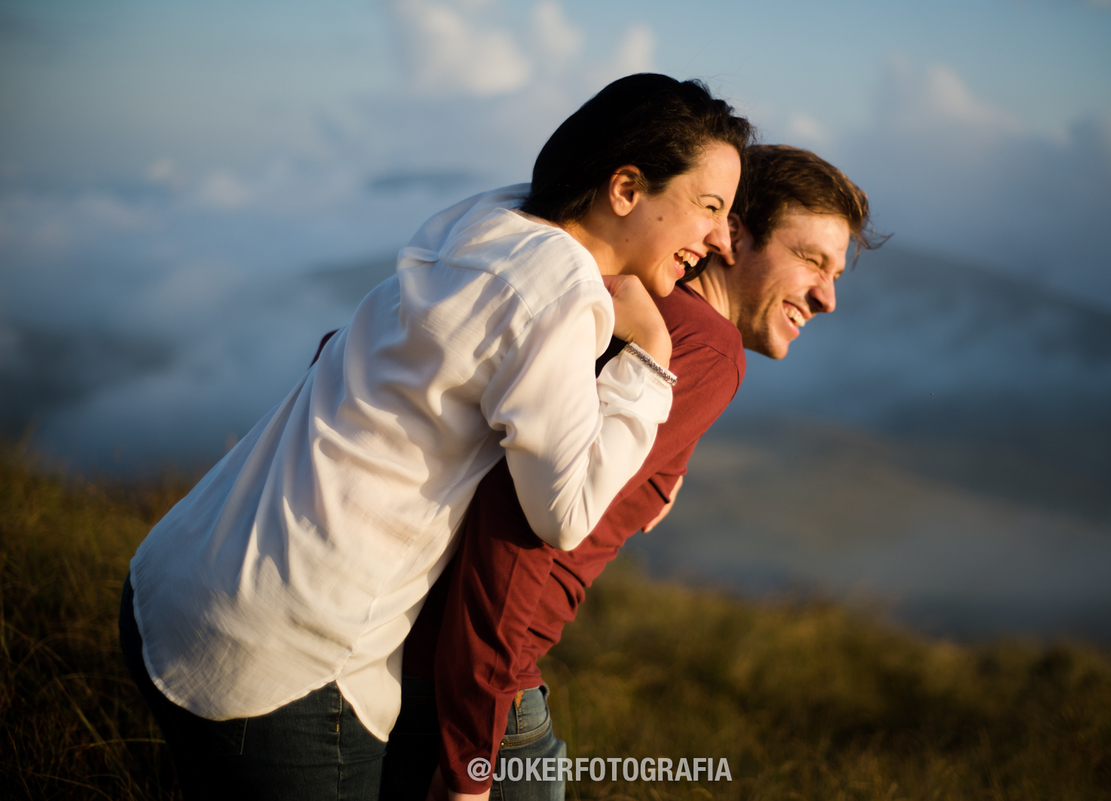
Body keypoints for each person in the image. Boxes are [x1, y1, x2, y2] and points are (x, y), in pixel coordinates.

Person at [118, 73, 752, 800]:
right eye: (708, 207)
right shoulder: (558, 296)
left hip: (172, 576)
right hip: (279, 658)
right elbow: (565, 515)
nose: (721, 238)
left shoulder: (484, 225)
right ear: (626, 188)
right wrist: (649, 359)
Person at [385, 145, 883, 800]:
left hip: (414, 658)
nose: (828, 296)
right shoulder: (708, 347)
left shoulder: (645, 308)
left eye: (837, 273)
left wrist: (659, 483)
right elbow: (520, 532)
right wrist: (472, 759)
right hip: (481, 692)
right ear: (732, 234)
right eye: (810, 259)